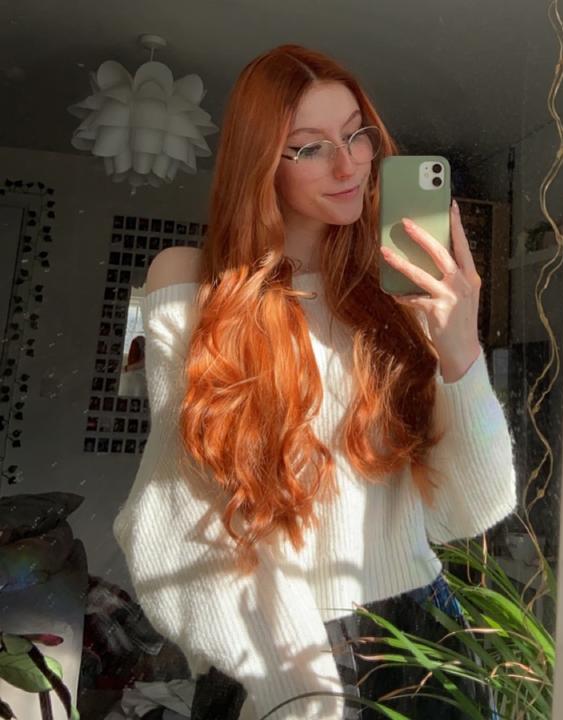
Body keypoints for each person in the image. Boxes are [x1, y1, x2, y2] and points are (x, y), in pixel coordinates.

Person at [112, 44, 517, 720]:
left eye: (357, 134)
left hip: (419, 635)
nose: (349, 164)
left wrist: (460, 350)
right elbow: (181, 508)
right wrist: (292, 681)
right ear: (260, 162)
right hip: (269, 645)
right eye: (310, 147)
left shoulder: (399, 296)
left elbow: (472, 511)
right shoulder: (191, 281)